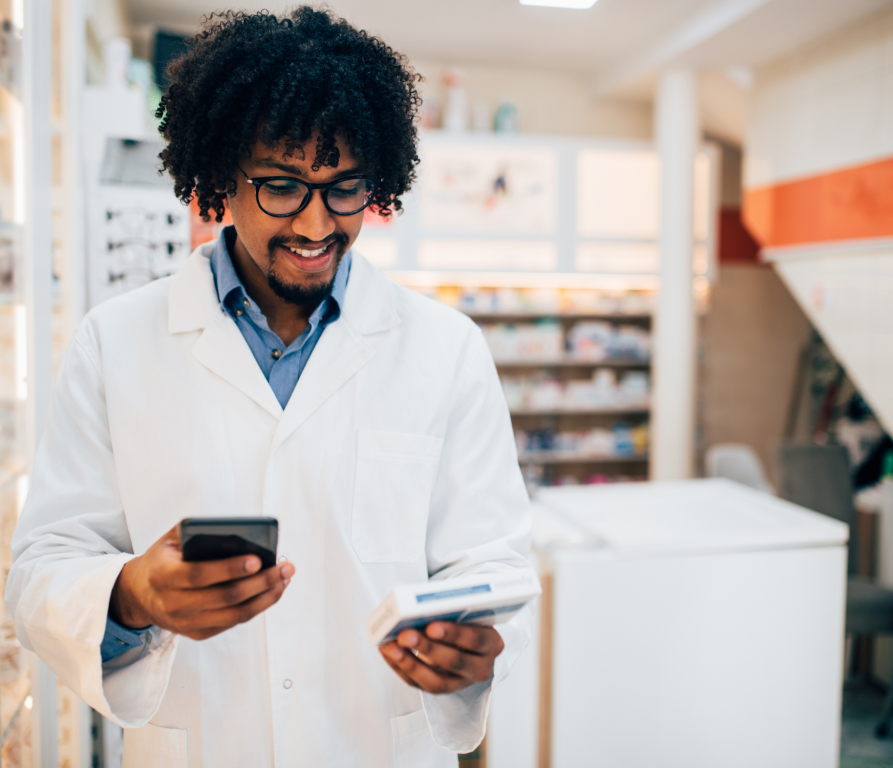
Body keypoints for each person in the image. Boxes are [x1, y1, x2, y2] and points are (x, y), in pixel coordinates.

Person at [4, 8, 532, 767]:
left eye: (344, 187)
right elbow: (43, 567)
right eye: (283, 186)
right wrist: (130, 596)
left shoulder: (446, 351)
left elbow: (495, 563)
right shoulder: (114, 343)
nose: (317, 222)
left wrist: (474, 650)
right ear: (221, 175)